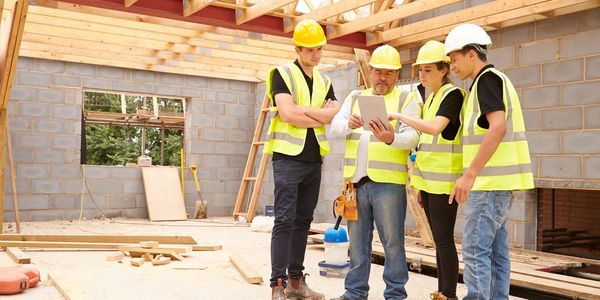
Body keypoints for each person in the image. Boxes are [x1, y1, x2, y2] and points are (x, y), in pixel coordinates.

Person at [444, 24, 534, 300]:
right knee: (495, 252)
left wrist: (469, 175)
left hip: (489, 185)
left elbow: (497, 128)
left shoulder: (487, 80)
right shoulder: (491, 81)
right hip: (498, 185)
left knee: (474, 250)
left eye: (455, 59)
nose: (452, 66)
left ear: (471, 54)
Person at [329, 44, 420, 300]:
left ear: (397, 74)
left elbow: (413, 137)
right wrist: (348, 123)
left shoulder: (406, 99)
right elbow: (334, 127)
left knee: (392, 245)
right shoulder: (355, 98)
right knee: (357, 245)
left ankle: (395, 294)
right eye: (378, 72)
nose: (383, 78)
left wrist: (392, 138)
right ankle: (355, 292)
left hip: (388, 185)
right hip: (356, 184)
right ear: (370, 71)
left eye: (389, 73)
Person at [263, 19, 340, 300]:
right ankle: (277, 285)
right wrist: (318, 114)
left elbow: (333, 116)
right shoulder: (281, 73)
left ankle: (296, 283)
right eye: (309, 50)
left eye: (319, 49)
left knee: (303, 222)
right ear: (297, 48)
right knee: (284, 220)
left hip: (313, 159)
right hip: (287, 158)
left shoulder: (325, 80)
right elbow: (287, 114)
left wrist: (304, 111)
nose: (316, 55)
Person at [388, 40, 465, 300]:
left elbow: (434, 129)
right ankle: (442, 292)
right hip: (429, 183)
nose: (422, 75)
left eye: (428, 69)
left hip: (445, 182)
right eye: (420, 70)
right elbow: (426, 146)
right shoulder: (431, 97)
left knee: (444, 241)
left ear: (445, 69)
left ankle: (449, 295)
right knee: (438, 241)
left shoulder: (453, 95)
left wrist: (399, 116)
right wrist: (419, 186)